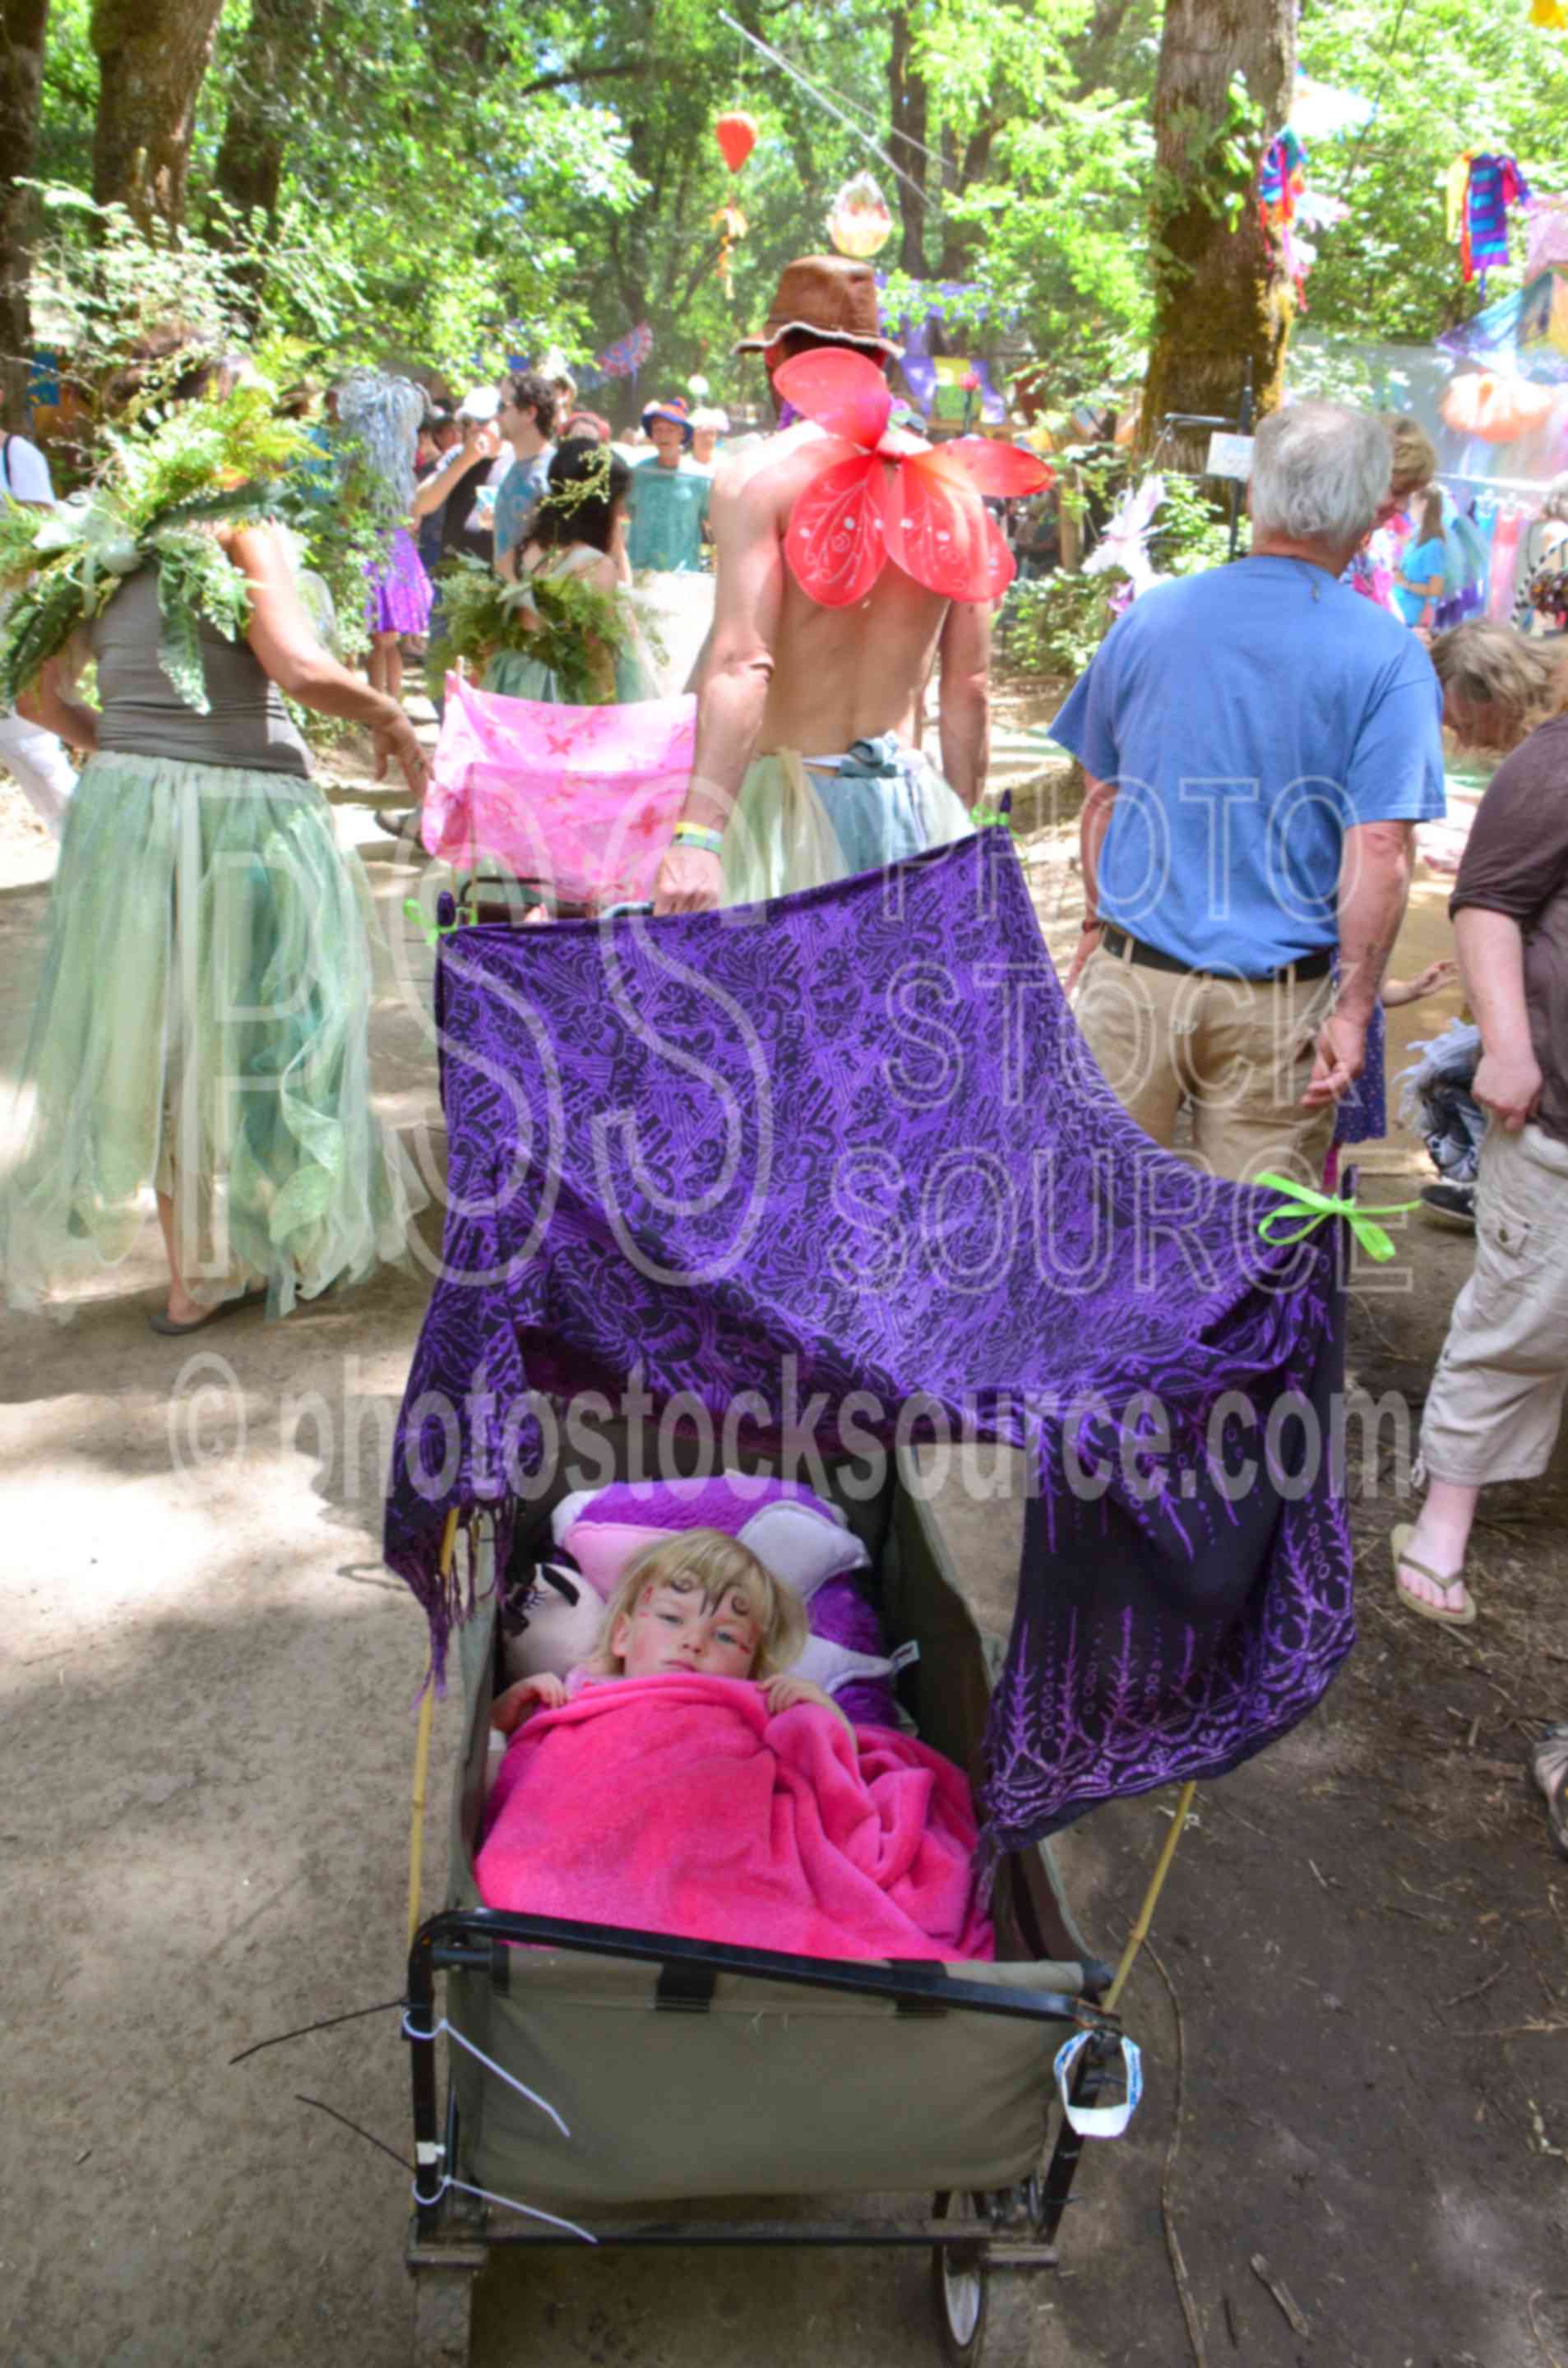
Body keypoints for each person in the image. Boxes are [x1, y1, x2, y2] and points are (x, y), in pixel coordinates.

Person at [2, 344, 428, 1332]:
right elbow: (295, 663)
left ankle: (195, 1271)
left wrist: (133, 756)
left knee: (164, 1035)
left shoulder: (100, 537)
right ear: (219, 425)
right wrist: (391, 718)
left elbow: (37, 694)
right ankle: (284, 1237)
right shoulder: (241, 523)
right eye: (253, 411)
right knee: (269, 1026)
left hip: (125, 809)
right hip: (240, 807)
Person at [1051, 400, 1447, 1185]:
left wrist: (1098, 920)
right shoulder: (1388, 654)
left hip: (1133, 982)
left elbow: (1103, 794)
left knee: (1099, 1224)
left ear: (1258, 494)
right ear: (1368, 512)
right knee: (1248, 1252)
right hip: (1277, 1005)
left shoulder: (1152, 618)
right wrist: (1353, 1008)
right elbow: (1379, 847)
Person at [650, 255, 984, 915]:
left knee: (761, 1014)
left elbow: (743, 662)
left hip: (783, 820)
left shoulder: (760, 477)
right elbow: (969, 686)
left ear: (777, 358)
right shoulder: (958, 487)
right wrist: (964, 826)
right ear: (879, 365)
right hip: (910, 813)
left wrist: (698, 835)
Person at [489, 1529, 844, 1732]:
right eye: (672, 1619)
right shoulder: (581, 1692)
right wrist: (513, 1704)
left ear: (750, 1669)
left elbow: (834, 1776)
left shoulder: (760, 1713)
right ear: (623, 1636)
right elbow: (511, 1752)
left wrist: (824, 1712)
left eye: (725, 1636)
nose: (694, 1642)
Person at [483, 437, 651, 705]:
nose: (621, 512)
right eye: (618, 502)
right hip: (563, 698)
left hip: (511, 686)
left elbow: (493, 632)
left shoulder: (515, 555)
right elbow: (596, 651)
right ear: (600, 506)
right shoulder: (594, 566)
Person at [0, 426, 79, 836]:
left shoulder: (18, 456)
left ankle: (94, 853)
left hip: (12, 629)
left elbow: (44, 545)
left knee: (30, 747)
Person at [1345, 414, 1436, 613]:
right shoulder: (1322, 548)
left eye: (1409, 495)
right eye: (1397, 491)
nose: (1403, 508)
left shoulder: (1371, 541)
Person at [625, 396, 710, 574]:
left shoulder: (699, 477)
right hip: (640, 572)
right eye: (658, 430)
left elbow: (711, 522)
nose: (663, 435)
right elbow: (627, 514)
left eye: (670, 430)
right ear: (652, 435)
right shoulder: (638, 473)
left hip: (683, 575)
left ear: (682, 434)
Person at [491, 372, 557, 582]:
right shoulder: (516, 466)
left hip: (537, 605)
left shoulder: (553, 473)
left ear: (529, 413)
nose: (496, 417)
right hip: (510, 602)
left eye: (503, 406)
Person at [690, 405, 729, 469]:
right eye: (703, 434)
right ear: (692, 437)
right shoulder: (683, 465)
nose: (707, 439)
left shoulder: (724, 464)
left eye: (712, 434)